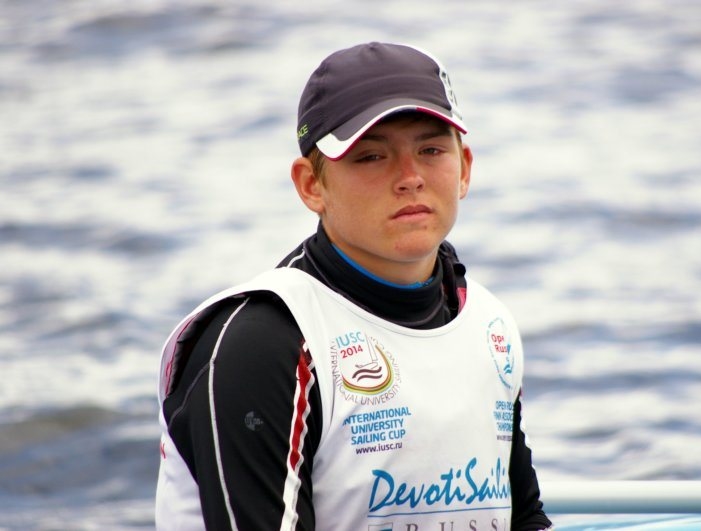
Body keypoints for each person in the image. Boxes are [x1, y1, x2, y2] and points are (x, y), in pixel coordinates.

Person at [155, 42, 554, 531]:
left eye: (431, 150)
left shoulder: (490, 325)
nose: (410, 178)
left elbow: (525, 517)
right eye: (371, 156)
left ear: (464, 168)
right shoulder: (263, 344)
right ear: (311, 185)